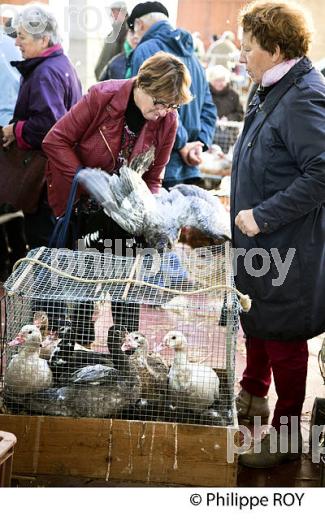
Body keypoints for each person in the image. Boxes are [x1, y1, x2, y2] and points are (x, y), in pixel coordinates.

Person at [231, 0, 325, 468]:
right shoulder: (269, 86)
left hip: (283, 240)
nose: (241, 56)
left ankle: (288, 434)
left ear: (276, 49)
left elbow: (322, 171)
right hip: (257, 242)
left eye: (249, 48)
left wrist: (263, 215)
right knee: (255, 316)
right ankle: (253, 394)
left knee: (284, 332)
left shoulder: (304, 94)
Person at [42, 51, 193, 330]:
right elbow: (55, 140)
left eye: (171, 106)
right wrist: (84, 176)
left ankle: (124, 349)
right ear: (142, 84)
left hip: (125, 213)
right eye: (159, 102)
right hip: (84, 205)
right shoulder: (103, 96)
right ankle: (77, 340)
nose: (162, 112)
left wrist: (148, 212)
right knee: (83, 282)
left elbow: (153, 177)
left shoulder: (168, 121)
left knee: (126, 286)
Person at [1, 4, 82, 250]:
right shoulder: (59, 64)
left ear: (44, 38)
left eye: (22, 37)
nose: (16, 43)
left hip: (46, 176)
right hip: (57, 174)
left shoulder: (45, 73)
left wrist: (13, 130)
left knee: (43, 243)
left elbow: (47, 127)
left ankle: (46, 288)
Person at [127, 1, 216, 189]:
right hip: (190, 166)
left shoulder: (145, 51)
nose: (134, 36)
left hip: (158, 168)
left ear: (140, 25)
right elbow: (208, 107)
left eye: (133, 29)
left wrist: (184, 145)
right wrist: (199, 143)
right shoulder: (193, 56)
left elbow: (149, 105)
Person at [0, 24, 27, 280]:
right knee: (12, 205)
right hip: (15, 132)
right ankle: (18, 266)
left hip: (5, 130)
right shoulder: (10, 45)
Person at [207, 64, 244, 152]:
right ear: (211, 81)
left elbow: (240, 114)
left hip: (228, 136)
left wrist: (228, 119)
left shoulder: (234, 95)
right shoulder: (206, 94)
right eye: (217, 80)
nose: (220, 83)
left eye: (223, 80)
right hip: (209, 133)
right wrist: (210, 117)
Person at [94, 1, 128, 81]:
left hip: (114, 82)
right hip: (105, 80)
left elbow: (124, 61)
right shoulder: (114, 33)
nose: (111, 15)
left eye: (113, 11)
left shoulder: (127, 33)